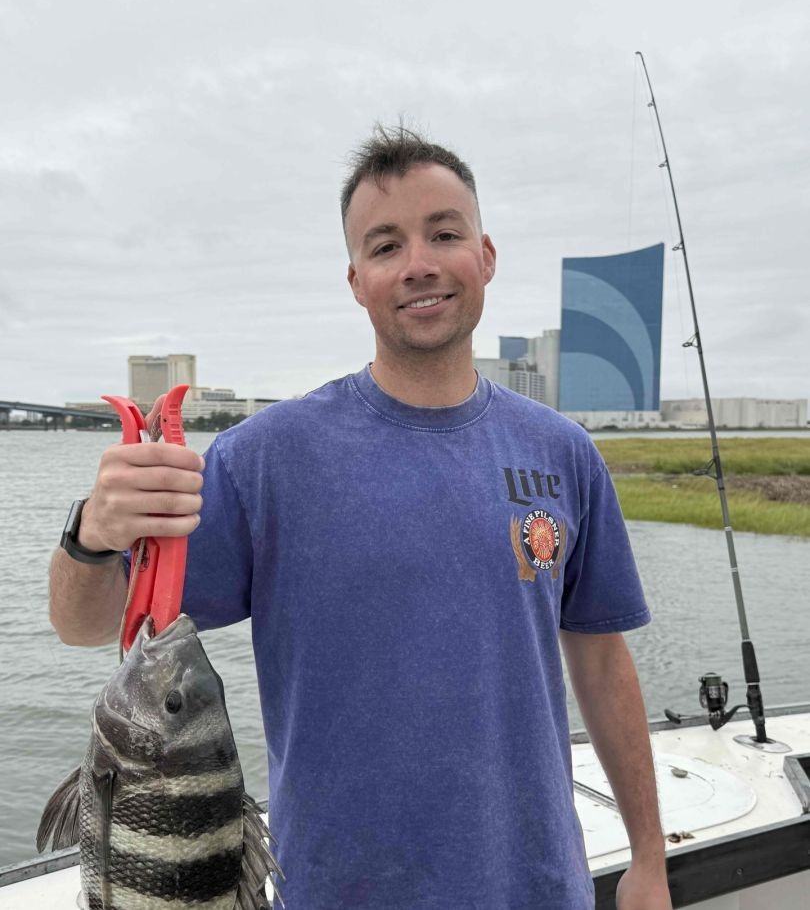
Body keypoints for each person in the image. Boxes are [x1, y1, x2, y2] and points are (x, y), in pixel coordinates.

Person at [50, 125, 673, 910]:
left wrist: (647, 857)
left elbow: (601, 660)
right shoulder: (265, 456)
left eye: (444, 233)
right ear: (356, 279)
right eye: (385, 246)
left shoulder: (564, 451)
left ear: (484, 255)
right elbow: (90, 624)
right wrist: (93, 533)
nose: (418, 263)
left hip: (537, 885)